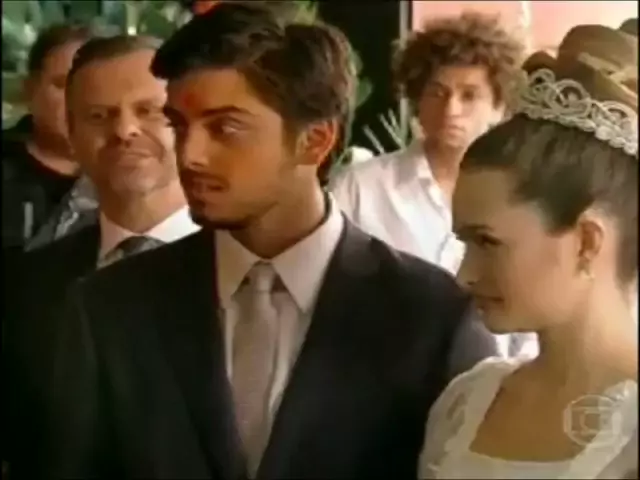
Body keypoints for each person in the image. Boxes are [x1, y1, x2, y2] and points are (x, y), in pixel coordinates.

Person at [43, 4, 498, 479]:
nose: (190, 155)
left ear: (315, 141)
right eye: (179, 125)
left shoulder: (432, 319)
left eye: (225, 128)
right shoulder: (108, 308)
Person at [418, 23, 637, 479]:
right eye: (465, 243)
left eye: (487, 242)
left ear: (586, 242)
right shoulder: (466, 402)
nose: (464, 275)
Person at [2, 34, 199, 478]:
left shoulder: (254, 272)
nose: (124, 130)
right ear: (72, 135)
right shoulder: (27, 283)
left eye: (149, 111)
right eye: (99, 115)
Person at [331, 13, 535, 359]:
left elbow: (530, 324)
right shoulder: (361, 188)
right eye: (437, 92)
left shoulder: (523, 196)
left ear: (499, 106)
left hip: (494, 379)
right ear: (416, 98)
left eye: (469, 95)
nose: (451, 109)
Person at [2, 24, 94, 250]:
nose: (79, 99)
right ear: (30, 89)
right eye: (62, 84)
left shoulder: (128, 173)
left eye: (92, 86)